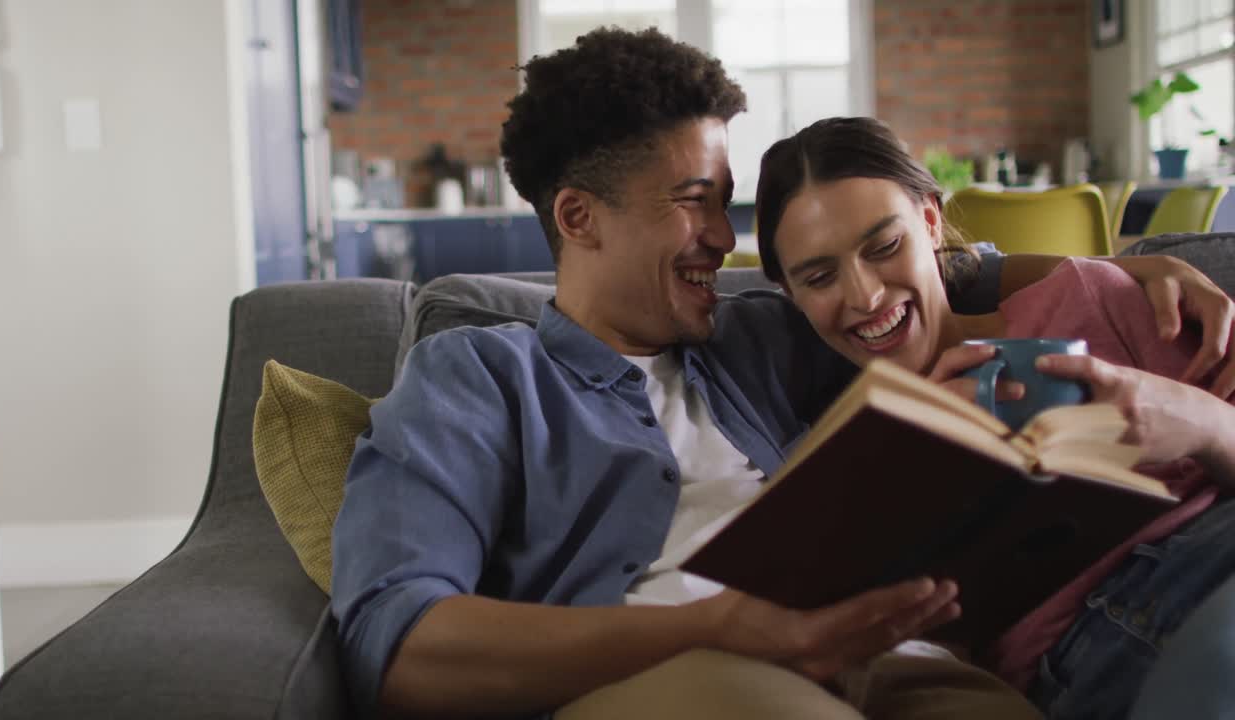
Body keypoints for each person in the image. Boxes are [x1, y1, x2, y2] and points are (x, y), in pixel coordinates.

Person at [330, 29, 1235, 720]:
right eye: (696, 204)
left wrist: (1138, 266)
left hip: (905, 657)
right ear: (578, 216)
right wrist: (717, 625)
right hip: (682, 667)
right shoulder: (478, 375)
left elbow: (924, 274)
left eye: (724, 205)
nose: (725, 240)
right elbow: (398, 641)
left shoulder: (759, 334)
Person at [754, 115, 1235, 719]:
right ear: (789, 294)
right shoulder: (846, 450)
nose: (865, 296)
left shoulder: (1088, 297)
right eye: (819, 277)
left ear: (930, 221)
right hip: (1101, 634)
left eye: (884, 247)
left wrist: (1198, 419)